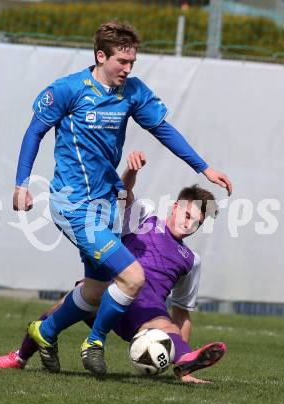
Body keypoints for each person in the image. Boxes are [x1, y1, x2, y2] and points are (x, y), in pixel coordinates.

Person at [13, 20, 232, 377]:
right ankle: (94, 343)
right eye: (122, 62)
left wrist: (204, 169)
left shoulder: (131, 92)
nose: (128, 70)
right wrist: (21, 182)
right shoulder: (69, 89)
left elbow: (163, 130)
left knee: (97, 290)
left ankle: (45, 331)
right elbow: (34, 130)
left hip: (104, 208)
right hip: (72, 204)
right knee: (132, 276)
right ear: (101, 56)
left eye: (132, 62)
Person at [0, 152, 227, 383]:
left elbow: (182, 314)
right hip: (112, 292)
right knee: (69, 301)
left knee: (168, 326)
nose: (189, 224)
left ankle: (186, 361)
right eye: (187, 215)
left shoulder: (191, 260)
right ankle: (19, 357)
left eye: (197, 222)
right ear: (176, 206)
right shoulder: (145, 217)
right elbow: (124, 193)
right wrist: (131, 171)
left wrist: (183, 364)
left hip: (144, 313)